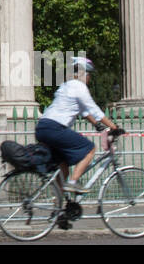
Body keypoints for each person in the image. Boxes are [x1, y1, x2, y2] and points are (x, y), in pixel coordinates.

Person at [35, 56, 121, 192]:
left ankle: (59, 205)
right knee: (90, 149)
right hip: (55, 128)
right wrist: (114, 127)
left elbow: (84, 111)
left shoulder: (66, 85)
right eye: (88, 75)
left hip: (43, 127)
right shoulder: (79, 87)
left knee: (63, 165)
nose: (89, 78)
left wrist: (97, 125)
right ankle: (73, 182)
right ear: (83, 73)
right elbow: (94, 109)